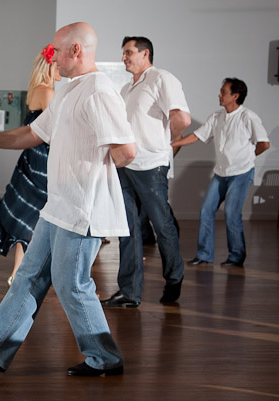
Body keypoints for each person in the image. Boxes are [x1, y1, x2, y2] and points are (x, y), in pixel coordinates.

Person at [0, 22, 136, 376]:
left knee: (72, 285)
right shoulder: (68, 91)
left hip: (82, 209)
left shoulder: (98, 91)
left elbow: (126, 150)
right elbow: (33, 133)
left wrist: (92, 175)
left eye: (57, 51)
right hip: (58, 206)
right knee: (29, 276)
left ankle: (106, 358)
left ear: (76, 51)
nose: (53, 58)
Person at [101, 36, 191, 308]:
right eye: (124, 53)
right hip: (126, 166)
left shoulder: (162, 79)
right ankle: (129, 292)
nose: (124, 58)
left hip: (151, 166)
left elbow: (182, 118)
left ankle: (174, 277)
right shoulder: (127, 89)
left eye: (129, 52)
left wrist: (165, 143)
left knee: (162, 225)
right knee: (127, 229)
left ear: (145, 53)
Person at [0, 44, 60, 287]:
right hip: (43, 160)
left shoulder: (36, 90)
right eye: (57, 64)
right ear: (50, 65)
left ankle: (17, 274)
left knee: (29, 216)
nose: (61, 69)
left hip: (31, 157)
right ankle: (39, 275)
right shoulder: (47, 91)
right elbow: (55, 132)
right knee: (41, 215)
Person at [173, 78, 270, 267]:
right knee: (206, 210)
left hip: (241, 173)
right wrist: (172, 144)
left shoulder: (248, 117)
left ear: (235, 96)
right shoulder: (216, 117)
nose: (219, 95)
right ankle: (204, 255)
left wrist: (248, 157)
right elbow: (196, 136)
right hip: (220, 173)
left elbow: (264, 144)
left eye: (223, 92)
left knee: (232, 213)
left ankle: (236, 257)